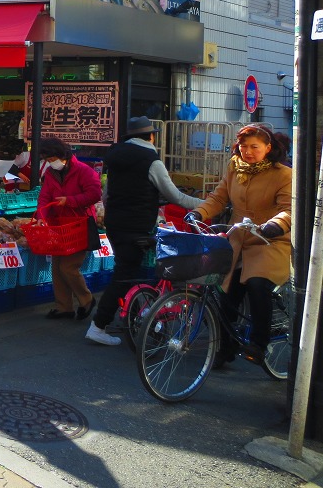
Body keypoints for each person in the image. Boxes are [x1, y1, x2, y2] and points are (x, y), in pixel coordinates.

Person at [86, 116, 200, 346]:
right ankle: (98, 325)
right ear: (151, 136)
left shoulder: (115, 158)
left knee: (129, 272)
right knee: (125, 276)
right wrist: (205, 203)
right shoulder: (151, 159)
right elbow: (175, 196)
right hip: (137, 225)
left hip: (115, 224)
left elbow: (106, 195)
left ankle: (134, 319)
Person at [186, 124, 292, 365]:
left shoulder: (284, 175)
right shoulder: (235, 166)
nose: (248, 151)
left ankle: (259, 343)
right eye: (244, 146)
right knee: (224, 292)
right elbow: (219, 197)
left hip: (269, 241)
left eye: (255, 147)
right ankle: (226, 347)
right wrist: (199, 213)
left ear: (268, 147)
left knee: (257, 284)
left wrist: (276, 224)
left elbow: (288, 209)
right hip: (237, 238)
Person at [35, 137, 102, 321]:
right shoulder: (50, 174)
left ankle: (87, 299)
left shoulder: (83, 171)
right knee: (57, 266)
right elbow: (45, 197)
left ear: (61, 155)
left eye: (51, 159)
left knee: (69, 266)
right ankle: (64, 307)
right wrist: (41, 217)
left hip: (79, 224)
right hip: (59, 225)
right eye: (47, 161)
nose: (50, 163)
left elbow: (95, 194)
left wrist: (69, 200)